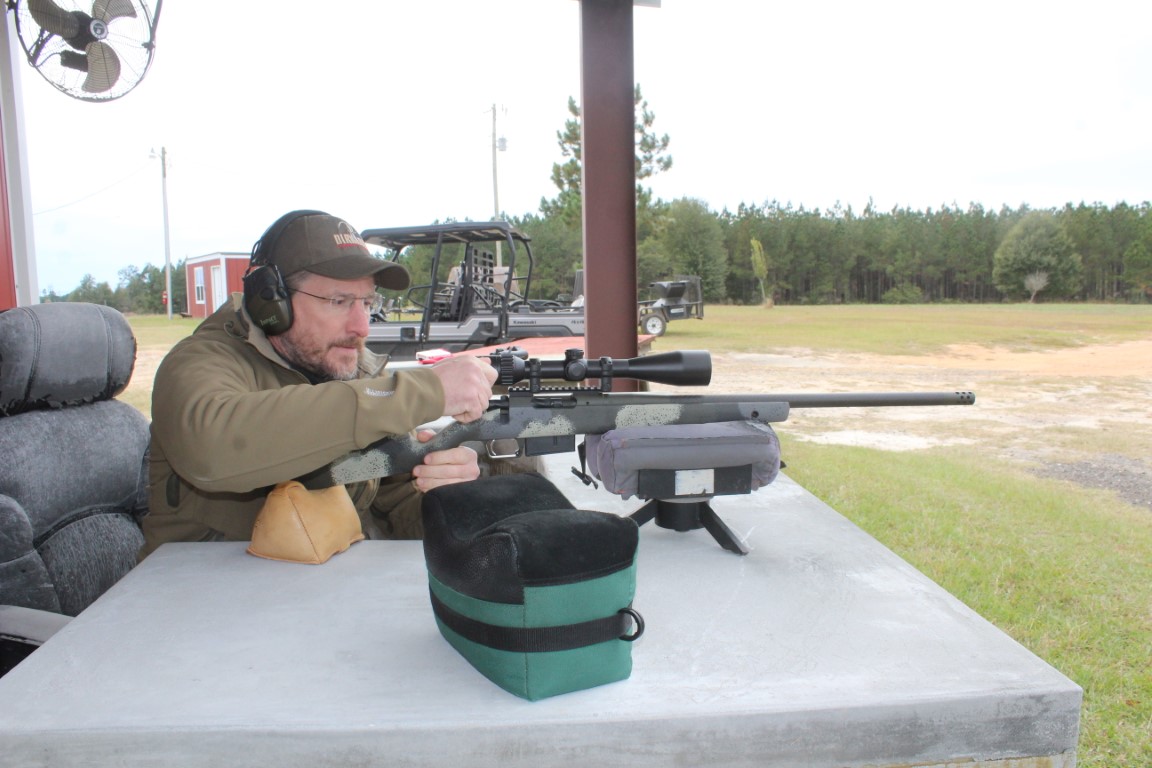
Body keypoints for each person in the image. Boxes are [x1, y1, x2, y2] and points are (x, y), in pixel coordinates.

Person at [143, 210, 497, 557]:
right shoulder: (200, 362)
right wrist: (423, 391)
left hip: (323, 598)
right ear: (272, 301)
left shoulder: (354, 371)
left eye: (367, 302)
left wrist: (439, 491)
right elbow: (213, 446)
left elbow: (395, 515)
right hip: (196, 600)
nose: (362, 327)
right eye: (338, 301)